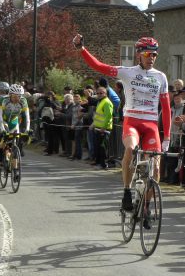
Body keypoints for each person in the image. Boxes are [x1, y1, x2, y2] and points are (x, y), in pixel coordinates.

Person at [73, 34, 171, 211]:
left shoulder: (161, 77)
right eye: (148, 54)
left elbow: (166, 107)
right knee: (131, 149)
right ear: (139, 54)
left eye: (155, 54)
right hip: (132, 121)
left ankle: (145, 206)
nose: (152, 58)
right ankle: (127, 191)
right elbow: (99, 66)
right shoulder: (128, 72)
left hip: (151, 125)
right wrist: (82, 49)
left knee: (156, 168)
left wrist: (167, 138)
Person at [0, 84, 31, 163]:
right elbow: (0, 115)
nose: (17, 98)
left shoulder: (23, 101)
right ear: (10, 95)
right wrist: (2, 129)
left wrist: (27, 129)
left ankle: (15, 158)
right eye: (15, 96)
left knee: (16, 137)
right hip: (4, 120)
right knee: (4, 139)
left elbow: (27, 117)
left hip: (14, 121)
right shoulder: (3, 100)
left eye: (19, 96)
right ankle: (0, 155)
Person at [92, 86, 114, 169]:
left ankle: (104, 165)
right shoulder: (100, 101)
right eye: (98, 93)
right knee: (99, 147)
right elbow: (99, 116)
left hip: (104, 129)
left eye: (101, 93)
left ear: (105, 93)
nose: (99, 94)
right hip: (98, 128)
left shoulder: (107, 102)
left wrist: (104, 127)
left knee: (103, 147)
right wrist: (93, 124)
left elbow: (108, 116)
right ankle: (99, 163)